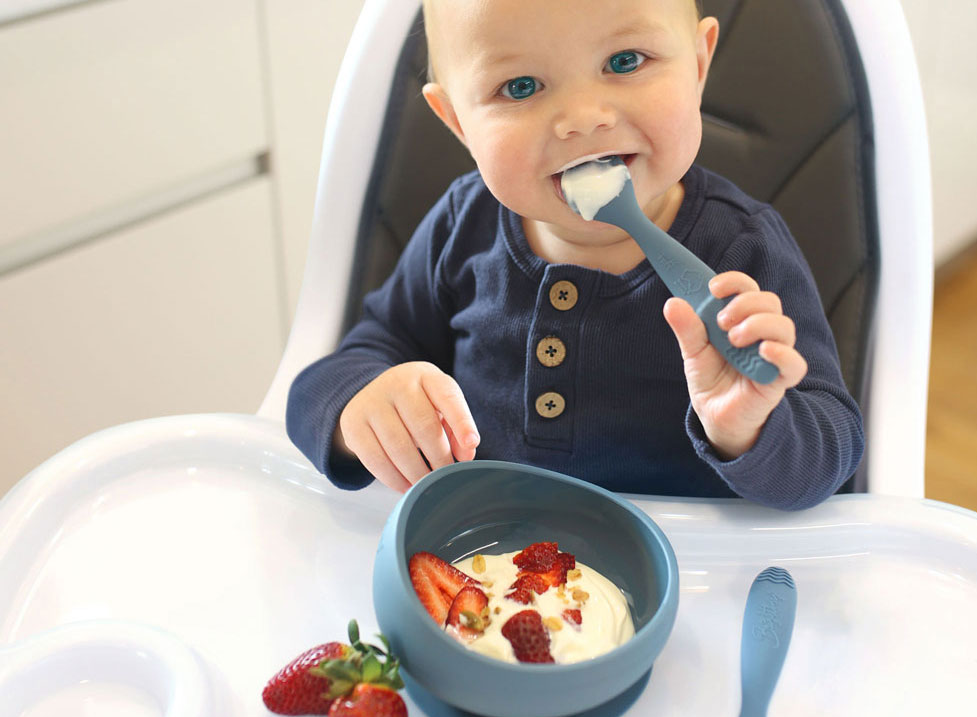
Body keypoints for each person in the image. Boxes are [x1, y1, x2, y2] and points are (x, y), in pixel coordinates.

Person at [286, 0, 864, 510]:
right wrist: (360, 406)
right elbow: (344, 366)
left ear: (698, 64)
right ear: (458, 123)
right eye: (520, 87)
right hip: (492, 569)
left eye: (626, 61)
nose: (585, 117)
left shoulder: (746, 253)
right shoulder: (462, 228)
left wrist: (748, 429)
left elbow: (834, 459)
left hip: (689, 590)